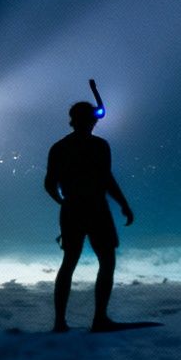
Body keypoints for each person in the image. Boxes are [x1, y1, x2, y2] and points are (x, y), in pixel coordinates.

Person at [44, 97, 134, 332]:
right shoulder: (100, 146)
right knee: (106, 261)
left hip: (73, 209)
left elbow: (50, 184)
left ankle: (60, 322)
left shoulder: (59, 148)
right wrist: (123, 204)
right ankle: (99, 318)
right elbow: (106, 179)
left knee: (69, 262)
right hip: (96, 209)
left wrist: (63, 202)